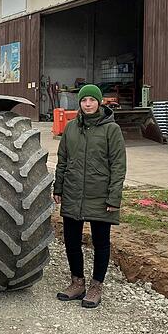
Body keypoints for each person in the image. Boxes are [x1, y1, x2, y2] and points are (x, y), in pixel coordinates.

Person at [52, 84, 127, 308]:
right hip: (73, 193)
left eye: (92, 100)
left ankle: (96, 286)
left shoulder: (111, 130)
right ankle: (77, 283)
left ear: (99, 102)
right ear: (80, 103)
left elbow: (118, 165)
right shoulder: (71, 128)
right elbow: (62, 159)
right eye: (84, 101)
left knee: (101, 242)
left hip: (100, 195)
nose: (88, 104)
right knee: (72, 241)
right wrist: (59, 187)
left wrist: (114, 197)